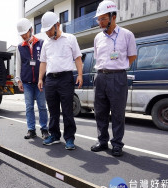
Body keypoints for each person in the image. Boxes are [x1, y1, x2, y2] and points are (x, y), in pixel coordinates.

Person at [90, 0, 137, 157]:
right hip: (100, 76)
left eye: (103, 18)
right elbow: (98, 57)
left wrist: (119, 67)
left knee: (117, 112)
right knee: (100, 111)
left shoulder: (127, 35)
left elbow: (132, 56)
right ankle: (102, 141)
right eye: (99, 19)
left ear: (113, 16)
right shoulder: (98, 37)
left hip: (118, 77)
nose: (100, 22)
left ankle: (117, 144)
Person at [38, 11, 83, 150]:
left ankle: (69, 138)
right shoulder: (46, 43)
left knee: (67, 110)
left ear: (57, 25)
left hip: (66, 78)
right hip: (50, 79)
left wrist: (80, 75)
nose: (47, 33)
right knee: (53, 110)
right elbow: (43, 62)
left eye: (49, 29)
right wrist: (40, 78)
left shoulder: (70, 38)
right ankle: (54, 135)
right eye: (45, 30)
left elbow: (77, 58)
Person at [15, 18, 49, 140]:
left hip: (40, 82)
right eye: (21, 34)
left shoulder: (42, 43)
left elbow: (46, 62)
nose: (23, 36)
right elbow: (18, 64)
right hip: (27, 82)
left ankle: (44, 129)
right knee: (29, 107)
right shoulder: (19, 47)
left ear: (31, 30)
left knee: (42, 106)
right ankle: (31, 130)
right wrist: (18, 80)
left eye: (25, 33)